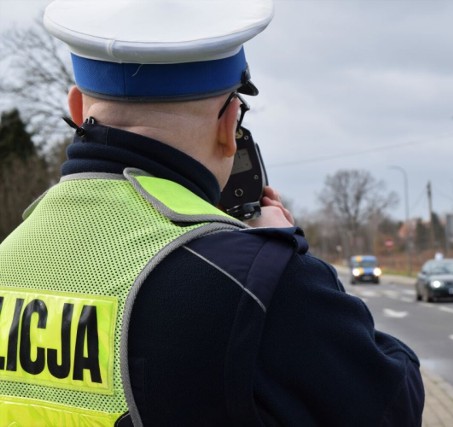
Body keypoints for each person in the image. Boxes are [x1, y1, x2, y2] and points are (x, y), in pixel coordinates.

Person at [0, 0, 424, 425]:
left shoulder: (8, 257)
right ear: (229, 125)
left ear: (77, 109)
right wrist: (291, 257)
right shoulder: (259, 283)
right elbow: (392, 404)